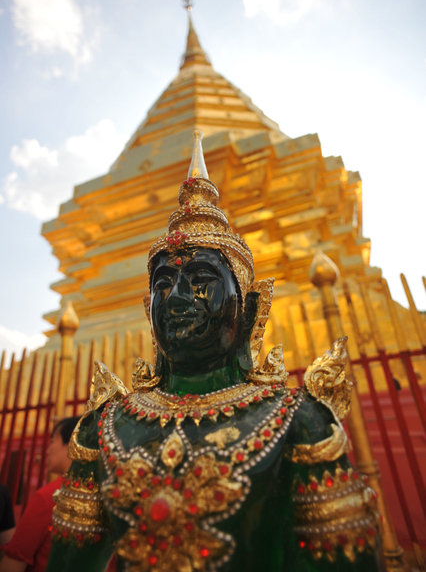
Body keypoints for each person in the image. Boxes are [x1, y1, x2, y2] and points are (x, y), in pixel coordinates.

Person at [47, 132, 384, 571]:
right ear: (149, 310)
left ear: (251, 310)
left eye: (202, 282)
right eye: (163, 284)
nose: (178, 298)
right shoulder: (105, 428)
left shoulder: (298, 422)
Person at [0, 416, 79, 572]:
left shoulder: (50, 497)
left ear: (72, 443)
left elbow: (14, 563)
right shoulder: (111, 494)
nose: (47, 450)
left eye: (51, 442)